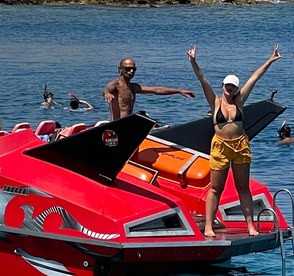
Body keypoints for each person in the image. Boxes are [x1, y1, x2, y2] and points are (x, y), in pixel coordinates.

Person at [188, 44, 281, 237]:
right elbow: (202, 79)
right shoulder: (214, 102)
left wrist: (270, 60)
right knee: (216, 188)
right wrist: (193, 61)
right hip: (220, 146)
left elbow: (255, 77)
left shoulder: (239, 101)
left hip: (240, 145)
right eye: (227, 85)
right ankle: (208, 226)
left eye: (233, 86)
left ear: (237, 88)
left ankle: (250, 226)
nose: (230, 89)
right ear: (222, 86)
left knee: (243, 187)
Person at [103, 57, 195, 120]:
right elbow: (107, 88)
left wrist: (178, 91)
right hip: (117, 125)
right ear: (120, 69)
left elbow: (156, 90)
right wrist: (107, 93)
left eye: (134, 69)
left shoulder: (134, 87)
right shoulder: (116, 84)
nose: (131, 71)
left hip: (128, 124)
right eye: (128, 68)